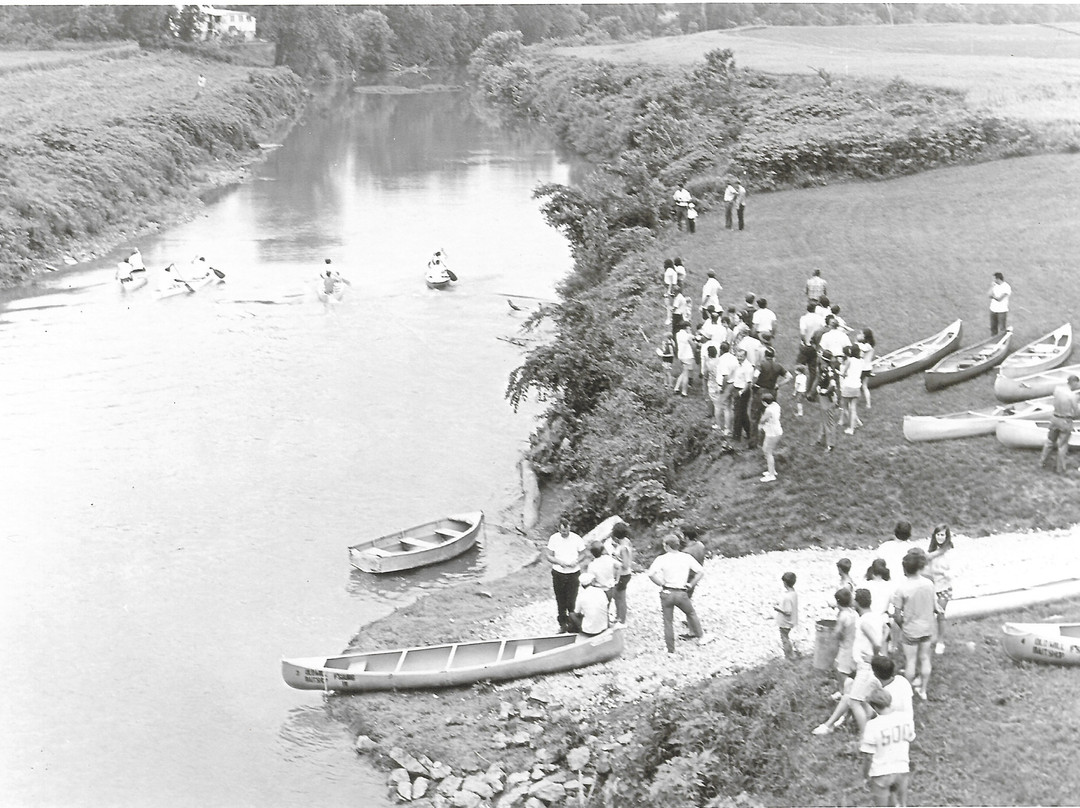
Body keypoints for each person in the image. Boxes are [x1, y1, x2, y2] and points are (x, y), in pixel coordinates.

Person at [813, 587, 882, 736]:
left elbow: (877, 643)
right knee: (849, 687)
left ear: (856, 602)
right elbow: (885, 633)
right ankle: (868, 716)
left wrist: (874, 658)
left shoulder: (863, 622)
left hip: (866, 666)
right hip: (865, 666)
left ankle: (865, 737)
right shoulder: (876, 616)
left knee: (854, 700)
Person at [647, 534, 705, 653]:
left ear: (667, 546)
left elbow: (651, 574)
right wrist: (691, 584)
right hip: (681, 592)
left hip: (667, 592)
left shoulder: (661, 559)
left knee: (668, 622)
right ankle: (701, 637)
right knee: (691, 613)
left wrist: (661, 583)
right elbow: (700, 571)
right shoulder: (686, 557)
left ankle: (671, 650)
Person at [891, 551, 936, 700]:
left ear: (905, 569)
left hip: (910, 629)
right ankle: (923, 690)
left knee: (910, 661)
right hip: (927, 628)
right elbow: (934, 605)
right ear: (920, 567)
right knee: (924, 658)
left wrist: (902, 625)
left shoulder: (902, 589)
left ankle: (907, 692)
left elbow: (897, 614)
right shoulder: (929, 584)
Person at [859, 688, 916, 807]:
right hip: (901, 769)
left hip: (881, 773)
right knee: (901, 805)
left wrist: (865, 777)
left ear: (874, 706)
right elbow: (911, 738)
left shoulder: (872, 726)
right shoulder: (905, 718)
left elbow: (868, 756)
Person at [545, 520, 587, 633]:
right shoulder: (553, 538)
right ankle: (563, 624)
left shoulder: (577, 538)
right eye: (563, 531)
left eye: (567, 530)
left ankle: (573, 624)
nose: (565, 533)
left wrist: (577, 561)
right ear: (559, 529)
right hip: (559, 572)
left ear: (569, 527)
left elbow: (584, 553)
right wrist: (558, 562)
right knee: (560, 600)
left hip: (573, 573)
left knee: (572, 600)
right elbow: (548, 555)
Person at [1039, 375, 1080, 474]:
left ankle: (1042, 462)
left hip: (1054, 419)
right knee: (1062, 446)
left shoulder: (1057, 390)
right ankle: (1060, 469)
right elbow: (1077, 413)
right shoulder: (1074, 397)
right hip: (1065, 422)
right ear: (1074, 382)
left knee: (1049, 442)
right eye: (1078, 384)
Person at [925, 524, 954, 655]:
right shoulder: (931, 550)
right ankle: (930, 638)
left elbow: (953, 571)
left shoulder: (950, 551)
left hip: (944, 588)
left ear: (947, 536)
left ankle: (940, 642)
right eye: (938, 534)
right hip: (932, 587)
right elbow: (926, 567)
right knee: (928, 614)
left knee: (940, 614)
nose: (940, 537)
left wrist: (943, 572)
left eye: (943, 535)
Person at [832, 587, 858, 699]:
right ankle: (847, 691)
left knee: (841, 671)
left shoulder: (843, 616)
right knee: (851, 670)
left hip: (845, 647)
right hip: (854, 645)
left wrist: (835, 636)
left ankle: (845, 695)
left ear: (838, 602)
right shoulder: (854, 613)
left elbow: (836, 633)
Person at [608, 522, 634, 624]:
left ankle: (621, 619)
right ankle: (619, 617)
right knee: (617, 597)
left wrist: (615, 557)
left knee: (620, 598)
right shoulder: (626, 542)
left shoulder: (623, 548)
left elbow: (626, 564)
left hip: (623, 575)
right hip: (622, 575)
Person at [815, 351, 841, 452]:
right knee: (823, 420)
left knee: (829, 422)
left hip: (828, 399)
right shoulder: (824, 368)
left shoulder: (830, 370)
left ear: (823, 360)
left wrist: (825, 391)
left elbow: (832, 384)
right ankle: (821, 440)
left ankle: (830, 445)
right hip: (823, 399)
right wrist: (819, 387)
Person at [840, 343, 865, 435]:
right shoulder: (861, 361)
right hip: (857, 386)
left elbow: (843, 373)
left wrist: (843, 373)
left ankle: (851, 427)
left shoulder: (850, 361)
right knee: (853, 408)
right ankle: (855, 424)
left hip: (848, 385)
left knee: (845, 407)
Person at [774, 571, 798, 659]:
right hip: (791, 620)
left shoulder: (787, 597)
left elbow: (788, 612)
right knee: (786, 637)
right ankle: (791, 654)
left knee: (784, 638)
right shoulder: (793, 593)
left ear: (784, 583)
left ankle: (790, 656)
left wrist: (778, 609)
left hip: (785, 622)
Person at [759, 392, 782, 483]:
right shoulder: (776, 405)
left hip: (773, 432)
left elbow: (763, 419)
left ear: (765, 403)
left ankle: (771, 475)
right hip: (775, 430)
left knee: (768, 452)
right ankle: (771, 470)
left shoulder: (769, 410)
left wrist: (760, 425)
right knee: (765, 449)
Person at [680, 528, 707, 598]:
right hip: (697, 574)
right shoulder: (701, 545)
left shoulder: (686, 551)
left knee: (684, 595)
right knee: (689, 594)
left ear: (687, 537)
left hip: (688, 575)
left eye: (683, 536)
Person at [857, 328, 877, 409]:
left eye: (861, 333)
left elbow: (860, 354)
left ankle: (854, 402)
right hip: (868, 368)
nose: (860, 334)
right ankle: (868, 404)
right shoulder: (870, 345)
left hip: (862, 368)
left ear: (865, 336)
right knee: (864, 386)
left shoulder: (866, 346)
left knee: (858, 385)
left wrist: (857, 341)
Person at [674, 322, 695, 397]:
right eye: (689, 327)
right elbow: (692, 341)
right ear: (686, 327)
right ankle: (684, 392)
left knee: (683, 372)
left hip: (681, 355)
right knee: (686, 374)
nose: (690, 328)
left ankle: (676, 388)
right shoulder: (687, 335)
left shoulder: (678, 334)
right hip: (687, 356)